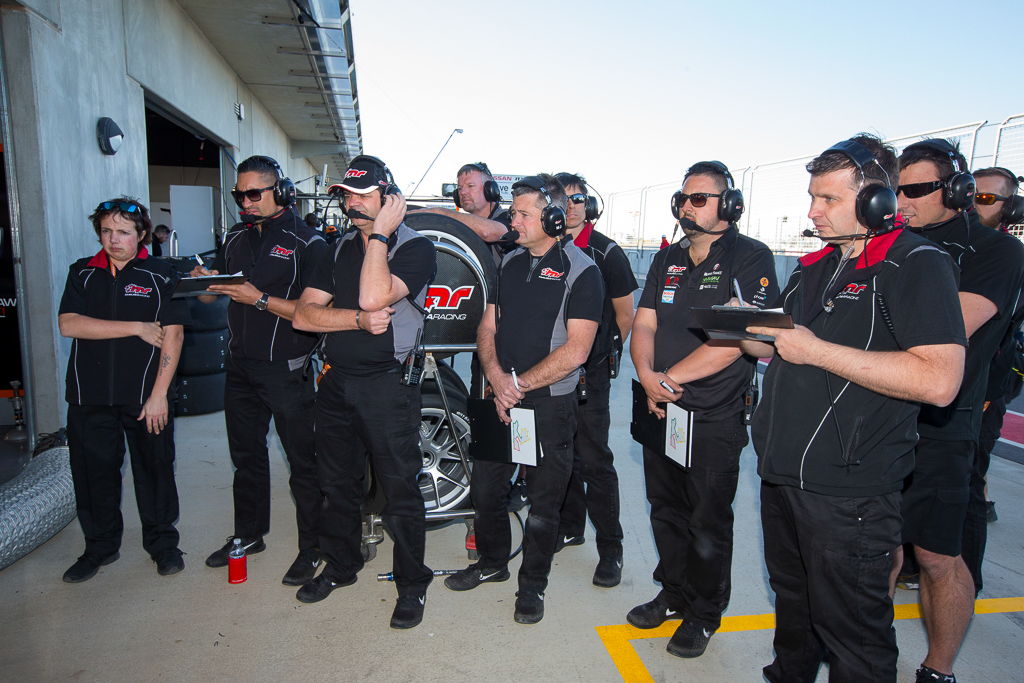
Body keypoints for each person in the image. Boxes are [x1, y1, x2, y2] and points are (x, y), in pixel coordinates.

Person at [747, 134, 966, 682]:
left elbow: (940, 380)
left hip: (850, 492)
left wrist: (816, 350)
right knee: (794, 607)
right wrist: (741, 325)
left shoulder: (916, 263)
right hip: (783, 475)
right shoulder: (816, 265)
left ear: (875, 201)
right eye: (812, 197)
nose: (812, 211)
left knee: (854, 639)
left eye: (828, 199)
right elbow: (782, 347)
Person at [627, 161, 778, 658]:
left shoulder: (750, 257)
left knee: (707, 521)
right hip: (659, 407)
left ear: (728, 205)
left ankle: (704, 612)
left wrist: (668, 378)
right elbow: (644, 323)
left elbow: (737, 340)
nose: (687, 207)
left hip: (712, 416)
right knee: (665, 510)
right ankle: (673, 592)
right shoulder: (667, 258)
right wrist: (647, 376)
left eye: (699, 198)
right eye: (683, 199)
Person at [444, 174, 603, 625]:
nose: (512, 220)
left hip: (548, 405)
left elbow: (577, 351)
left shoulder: (583, 272)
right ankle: (492, 562)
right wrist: (496, 378)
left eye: (522, 213)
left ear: (553, 219)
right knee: (486, 490)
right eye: (512, 212)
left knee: (543, 504)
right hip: (498, 396)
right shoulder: (509, 263)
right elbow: (487, 326)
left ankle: (532, 586)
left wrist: (517, 386)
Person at [896, 140, 1024, 683]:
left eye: (916, 190)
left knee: (937, 557)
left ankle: (938, 668)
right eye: (896, 190)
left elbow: (946, 328)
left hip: (943, 427)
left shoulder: (997, 251)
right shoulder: (891, 243)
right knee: (875, 550)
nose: (901, 201)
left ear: (955, 191)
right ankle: (868, 653)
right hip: (878, 422)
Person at [293, 155, 436, 629]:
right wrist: (354, 320)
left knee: (399, 489)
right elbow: (304, 316)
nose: (351, 203)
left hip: (388, 385)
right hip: (337, 381)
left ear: (389, 198)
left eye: (362, 194)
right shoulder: (333, 249)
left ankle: (412, 584)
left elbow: (375, 296)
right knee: (336, 484)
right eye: (346, 195)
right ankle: (341, 565)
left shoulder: (415, 248)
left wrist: (380, 236)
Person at [192, 155, 330, 587]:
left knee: (303, 463)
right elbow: (217, 292)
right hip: (239, 366)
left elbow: (312, 313)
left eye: (254, 193)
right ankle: (249, 535)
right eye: (239, 195)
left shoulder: (309, 243)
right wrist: (205, 284)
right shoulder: (234, 236)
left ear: (281, 192)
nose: (246, 202)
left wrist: (258, 299)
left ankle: (313, 547)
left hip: (286, 368)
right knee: (246, 458)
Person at [58, 198, 188, 582]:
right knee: (93, 475)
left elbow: (174, 335)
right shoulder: (82, 272)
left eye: (123, 232)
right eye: (106, 231)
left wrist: (160, 394)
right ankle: (99, 547)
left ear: (141, 234)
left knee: (155, 471)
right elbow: (69, 324)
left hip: (145, 396)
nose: (114, 240)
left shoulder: (162, 274)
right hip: (89, 396)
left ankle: (163, 545)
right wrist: (136, 327)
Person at [550, 172, 637, 588]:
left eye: (578, 199)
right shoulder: (543, 248)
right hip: (549, 373)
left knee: (593, 460)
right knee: (557, 455)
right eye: (563, 199)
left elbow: (625, 316)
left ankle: (611, 548)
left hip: (590, 376)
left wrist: (602, 355)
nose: (571, 207)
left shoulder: (607, 252)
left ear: (590, 206)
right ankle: (571, 527)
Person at [408, 162, 512, 256]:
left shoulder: (510, 218)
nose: (462, 192)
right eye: (460, 188)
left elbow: (488, 232)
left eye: (470, 186)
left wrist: (441, 213)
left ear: (489, 190)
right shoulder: (463, 223)